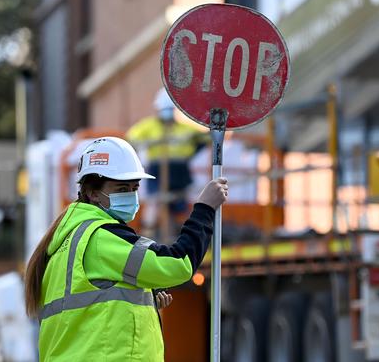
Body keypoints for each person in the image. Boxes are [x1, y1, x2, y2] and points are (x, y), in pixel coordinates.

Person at [24, 136, 227, 362]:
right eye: (121, 188)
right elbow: (177, 263)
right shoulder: (100, 237)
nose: (130, 195)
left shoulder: (63, 244)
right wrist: (204, 208)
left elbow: (88, 316)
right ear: (92, 193)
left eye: (134, 187)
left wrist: (145, 301)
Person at [126, 88, 208, 234]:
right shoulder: (148, 126)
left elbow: (204, 139)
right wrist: (152, 142)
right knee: (155, 202)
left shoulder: (184, 129)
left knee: (180, 203)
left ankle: (181, 234)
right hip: (158, 169)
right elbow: (131, 139)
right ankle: (147, 235)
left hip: (179, 170)